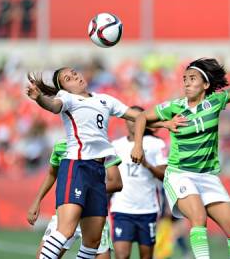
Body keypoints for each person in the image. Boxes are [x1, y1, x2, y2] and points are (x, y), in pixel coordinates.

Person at [131, 51, 230, 259]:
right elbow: (141, 117)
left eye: (192, 79)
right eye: (185, 79)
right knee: (198, 218)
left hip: (207, 176)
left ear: (205, 85)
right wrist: (142, 142)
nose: (186, 83)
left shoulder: (214, 103)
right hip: (180, 173)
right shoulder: (175, 107)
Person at [26, 68, 183, 259]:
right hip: (77, 166)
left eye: (75, 73)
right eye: (68, 78)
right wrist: (39, 98)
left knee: (92, 242)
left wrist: (164, 124)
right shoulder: (67, 98)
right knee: (65, 230)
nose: (75, 77)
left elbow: (137, 116)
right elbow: (53, 106)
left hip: (98, 172)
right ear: (64, 88)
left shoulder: (105, 100)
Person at [27, 139, 123, 259]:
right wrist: (37, 201)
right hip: (67, 214)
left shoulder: (103, 146)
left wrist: (88, 193)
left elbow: (116, 183)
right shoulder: (61, 146)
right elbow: (52, 174)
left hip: (93, 214)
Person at [110, 106, 167, 259]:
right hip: (121, 209)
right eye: (131, 118)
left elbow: (165, 175)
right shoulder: (116, 145)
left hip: (147, 210)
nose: (134, 122)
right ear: (125, 121)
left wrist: (147, 164)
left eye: (138, 119)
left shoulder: (156, 144)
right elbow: (110, 177)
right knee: (122, 256)